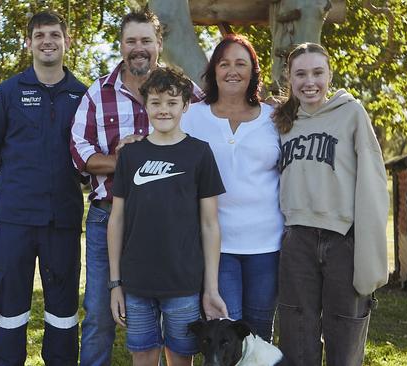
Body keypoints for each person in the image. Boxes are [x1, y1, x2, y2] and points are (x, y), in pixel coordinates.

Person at [70, 8, 202, 365]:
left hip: (170, 223)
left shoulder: (183, 90)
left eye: (146, 40)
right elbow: (79, 152)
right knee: (99, 312)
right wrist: (127, 162)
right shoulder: (98, 93)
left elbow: (209, 133)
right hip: (108, 215)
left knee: (172, 313)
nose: (139, 47)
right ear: (121, 45)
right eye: (131, 41)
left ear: (158, 43)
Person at [0, 11, 86, 366]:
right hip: (15, 223)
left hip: (63, 222)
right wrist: (8, 190)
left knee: (63, 310)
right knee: (8, 305)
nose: (47, 41)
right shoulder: (8, 93)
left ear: (67, 42)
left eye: (55, 34)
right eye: (39, 36)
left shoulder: (82, 95)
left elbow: (89, 152)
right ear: (29, 44)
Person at [272, 42, 388, 366]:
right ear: (289, 79)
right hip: (297, 240)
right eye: (301, 74)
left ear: (329, 74)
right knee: (297, 338)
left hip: (343, 240)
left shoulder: (350, 113)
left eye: (317, 72)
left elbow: (374, 180)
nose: (310, 81)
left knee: (345, 337)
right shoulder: (281, 122)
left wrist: (371, 249)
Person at [108, 67, 228, 366]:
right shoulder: (131, 156)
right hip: (136, 283)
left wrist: (210, 288)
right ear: (145, 105)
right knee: (144, 357)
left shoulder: (199, 153)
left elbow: (210, 224)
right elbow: (117, 219)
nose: (164, 110)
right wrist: (115, 284)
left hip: (184, 283)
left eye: (172, 102)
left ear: (185, 105)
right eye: (156, 102)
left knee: (180, 358)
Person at [181, 33, 285, 343]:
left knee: (259, 336)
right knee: (225, 335)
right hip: (218, 247)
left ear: (253, 71)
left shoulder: (274, 118)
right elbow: (164, 147)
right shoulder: (191, 116)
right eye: (224, 64)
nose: (232, 71)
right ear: (213, 71)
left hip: (267, 246)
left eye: (241, 63)